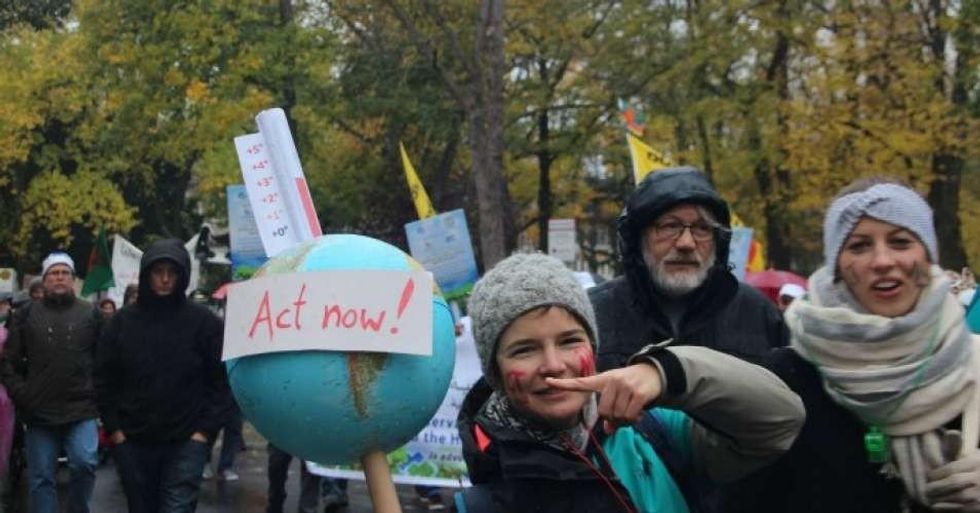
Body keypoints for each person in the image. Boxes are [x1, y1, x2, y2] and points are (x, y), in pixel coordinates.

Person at [455, 253, 805, 513]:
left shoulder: (651, 431)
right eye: (525, 349)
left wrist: (668, 371)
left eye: (568, 341)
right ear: (495, 371)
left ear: (593, 345)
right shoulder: (481, 502)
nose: (554, 365)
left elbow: (780, 420)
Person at [723, 178, 980, 512]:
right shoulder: (787, 380)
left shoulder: (972, 364)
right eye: (859, 246)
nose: (883, 261)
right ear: (836, 269)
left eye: (901, 242)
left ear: (928, 257)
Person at [589, 167, 787, 372]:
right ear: (638, 239)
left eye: (702, 228)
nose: (686, 243)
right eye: (669, 226)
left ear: (718, 241)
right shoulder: (595, 313)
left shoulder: (759, 314)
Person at [96, 239, 231, 513]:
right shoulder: (121, 323)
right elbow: (104, 379)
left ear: (183, 275)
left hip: (186, 441)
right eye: (158, 272)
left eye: (173, 272)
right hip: (133, 441)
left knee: (177, 508)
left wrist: (204, 431)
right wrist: (115, 430)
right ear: (147, 275)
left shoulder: (203, 323)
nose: (165, 279)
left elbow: (220, 380)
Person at [0, 252, 100, 513]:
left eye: (65, 273)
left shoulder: (90, 313)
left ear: (73, 279)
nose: (59, 277)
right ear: (44, 280)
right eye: (54, 273)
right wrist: (23, 394)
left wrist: (97, 393)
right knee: (42, 477)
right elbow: (8, 362)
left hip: (81, 409)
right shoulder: (25, 314)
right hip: (39, 412)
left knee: (84, 463)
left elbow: (105, 359)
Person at [265, 444, 348, 513]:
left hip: (309, 430)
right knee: (277, 464)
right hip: (283, 430)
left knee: (310, 464)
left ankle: (307, 508)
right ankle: (275, 500)